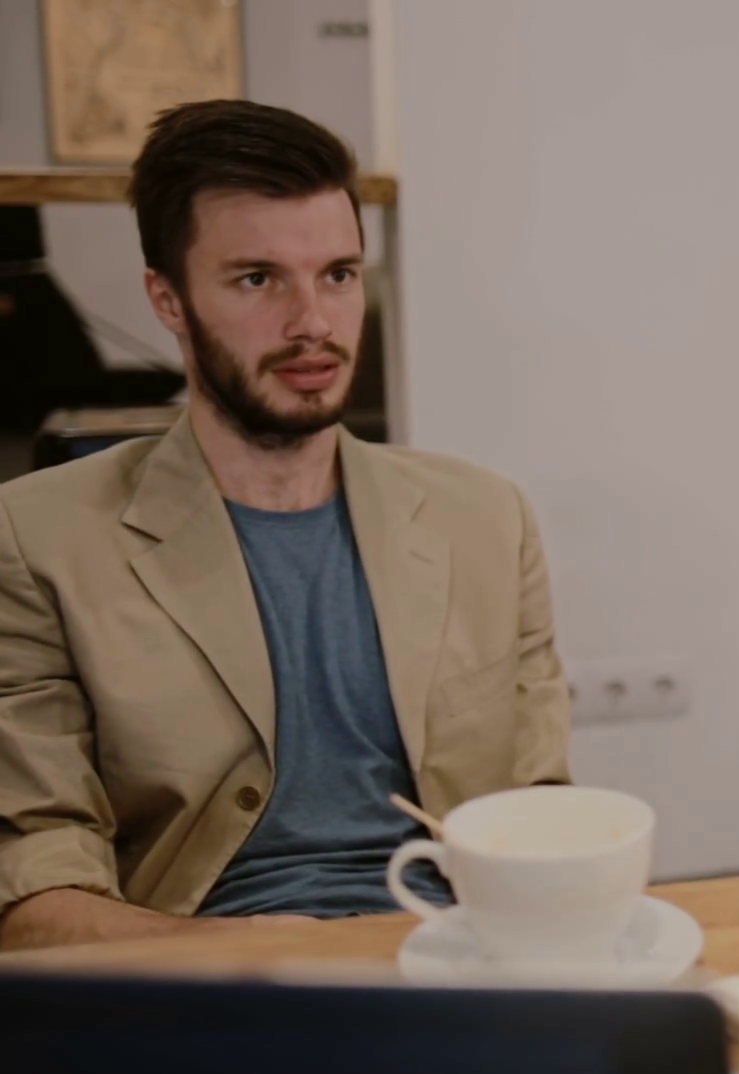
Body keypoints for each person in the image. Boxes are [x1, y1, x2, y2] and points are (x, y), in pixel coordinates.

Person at [0, 101, 571, 949]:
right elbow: (33, 893)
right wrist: (252, 955)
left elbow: (542, 813)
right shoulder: (38, 540)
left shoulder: (485, 519)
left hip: (465, 957)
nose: (313, 323)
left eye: (337, 274)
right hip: (207, 972)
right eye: (257, 280)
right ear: (168, 298)